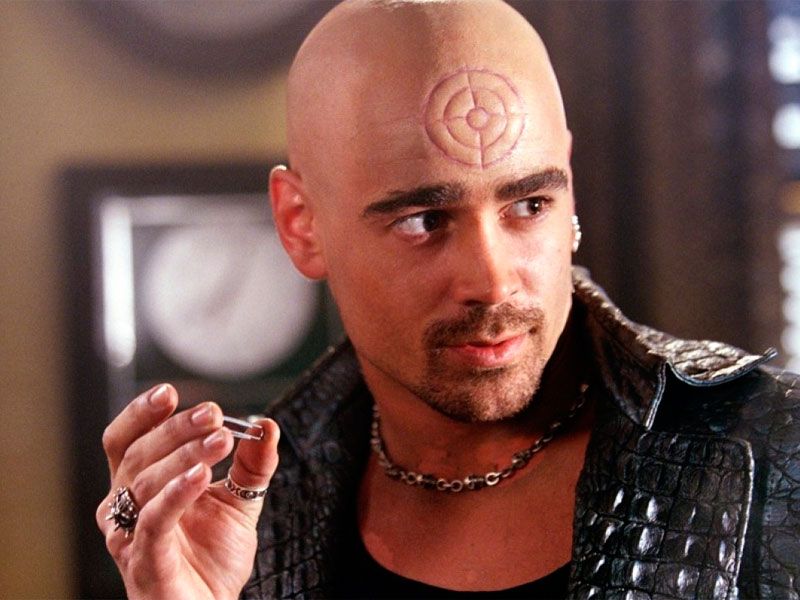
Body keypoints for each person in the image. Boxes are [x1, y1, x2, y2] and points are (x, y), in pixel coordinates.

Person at [96, 1, 800, 598]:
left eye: (529, 204)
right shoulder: (246, 510)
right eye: (424, 220)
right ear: (301, 225)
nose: (491, 282)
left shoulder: (778, 452)